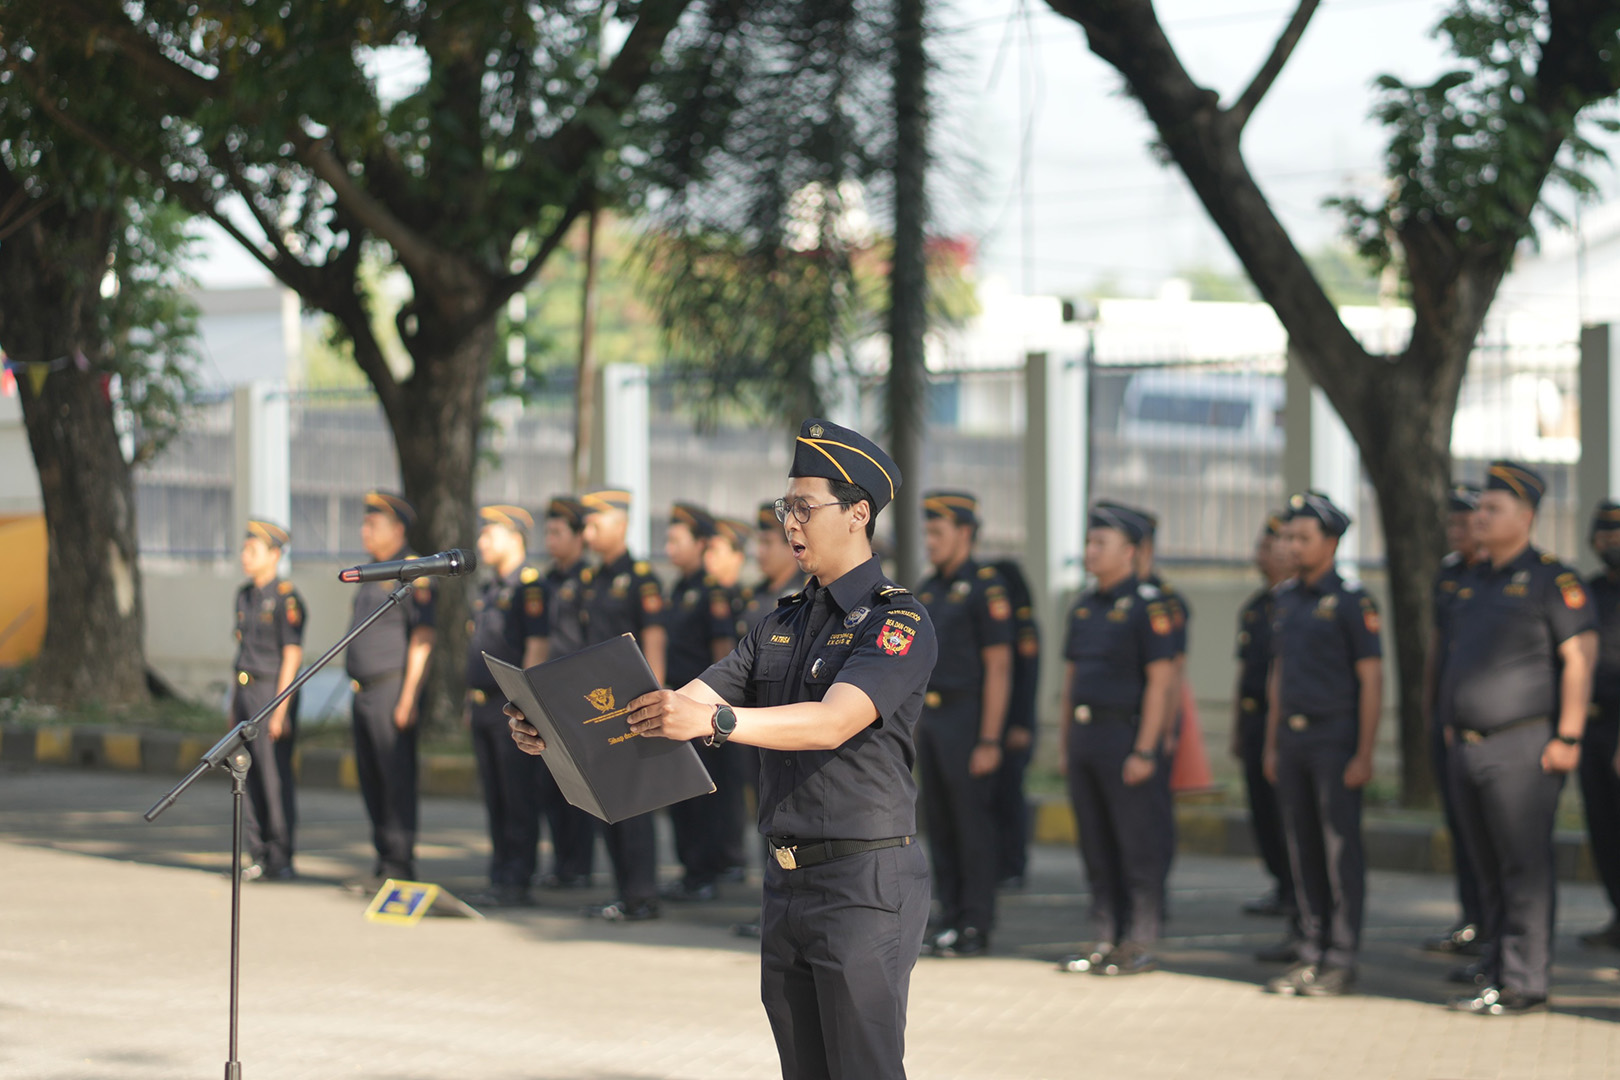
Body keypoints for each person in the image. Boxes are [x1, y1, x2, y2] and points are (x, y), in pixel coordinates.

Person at [514, 418, 937, 1080]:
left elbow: (831, 722)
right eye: (784, 508)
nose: (790, 523)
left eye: (804, 508)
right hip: (787, 880)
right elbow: (675, 705)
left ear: (859, 513)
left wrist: (716, 723)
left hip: (863, 883)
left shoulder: (898, 621)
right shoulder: (779, 623)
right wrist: (558, 733)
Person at [1441, 462, 1595, 1015]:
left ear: (1526, 517)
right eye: (1478, 508)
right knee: (1484, 863)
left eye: (1493, 509)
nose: (1479, 517)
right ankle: (1495, 970)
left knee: (1522, 865)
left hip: (1524, 746)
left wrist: (1569, 736)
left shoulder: (1554, 580)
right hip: (1468, 744)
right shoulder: (1469, 579)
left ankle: (1526, 981)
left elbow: (1578, 658)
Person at [1262, 491, 1381, 998]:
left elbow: (1371, 681)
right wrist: (1270, 743)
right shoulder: (1285, 599)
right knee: (1301, 847)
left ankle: (1341, 955)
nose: (1290, 545)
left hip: (1335, 739)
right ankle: (1310, 950)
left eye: (1302, 538)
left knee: (1338, 853)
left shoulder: (1354, 601)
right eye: (1287, 536)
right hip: (1292, 738)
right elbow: (1278, 676)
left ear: (1330, 542)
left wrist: (1364, 752)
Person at [1058, 502, 1178, 977]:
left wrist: (1146, 749)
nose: (1090, 551)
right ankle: (1104, 936)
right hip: (1088, 738)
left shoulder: (1151, 606)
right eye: (1089, 542)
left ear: (1129, 551)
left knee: (1136, 846)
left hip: (1125, 736)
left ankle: (1139, 941)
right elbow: (1071, 681)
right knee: (1096, 844)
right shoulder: (1085, 606)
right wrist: (1067, 744)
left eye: (1100, 544)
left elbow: (1162, 682)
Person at [914, 491, 1013, 958]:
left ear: (966, 533)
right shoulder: (929, 589)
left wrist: (990, 737)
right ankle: (950, 914)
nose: (929, 542)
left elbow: (999, 667)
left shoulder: (986, 588)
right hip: (932, 719)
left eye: (938, 533)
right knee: (942, 823)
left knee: (972, 825)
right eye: (927, 533)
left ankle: (976, 922)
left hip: (968, 717)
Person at [576, 487, 667, 921]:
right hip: (597, 706)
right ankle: (621, 891)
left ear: (621, 524)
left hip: (633, 705)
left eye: (596, 523)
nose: (588, 532)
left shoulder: (641, 577)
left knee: (634, 804)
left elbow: (654, 636)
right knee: (607, 801)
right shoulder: (593, 580)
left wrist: (656, 694)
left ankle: (642, 894)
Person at [344, 491, 435, 886]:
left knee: (395, 777)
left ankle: (399, 864)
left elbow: (423, 636)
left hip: (391, 688)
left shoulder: (412, 570)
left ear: (397, 529)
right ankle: (383, 862)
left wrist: (410, 695)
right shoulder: (373, 570)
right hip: (363, 690)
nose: (365, 531)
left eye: (373, 524)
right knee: (371, 778)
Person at [464, 504, 550, 907]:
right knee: (495, 796)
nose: (482, 542)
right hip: (483, 703)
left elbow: (536, 647)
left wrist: (526, 703)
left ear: (515, 538)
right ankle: (499, 873)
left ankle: (517, 878)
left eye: (490, 534)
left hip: (511, 705)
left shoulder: (529, 587)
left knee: (517, 797)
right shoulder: (490, 589)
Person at [660, 503, 739, 903]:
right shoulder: (677, 589)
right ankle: (690, 870)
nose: (670, 548)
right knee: (680, 794)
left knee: (705, 796)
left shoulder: (713, 593)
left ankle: (707, 871)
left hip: (702, 707)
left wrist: (713, 714)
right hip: (678, 700)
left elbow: (724, 656)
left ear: (701, 544)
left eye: (678, 540)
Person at [1422, 482, 1487, 955]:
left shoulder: (1496, 575)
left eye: (1465, 521)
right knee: (1461, 828)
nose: (1457, 530)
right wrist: (1431, 705)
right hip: (1449, 719)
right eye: (1453, 521)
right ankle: (1471, 918)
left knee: (1492, 836)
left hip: (1491, 728)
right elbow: (1437, 647)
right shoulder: (1448, 575)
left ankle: (1494, 931)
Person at [231, 519, 305, 882]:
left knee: (275, 779)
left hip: (271, 692)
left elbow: (291, 655)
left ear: (274, 555)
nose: (245, 556)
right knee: (246, 774)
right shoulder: (245, 595)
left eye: (253, 550)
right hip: (246, 690)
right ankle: (257, 852)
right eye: (245, 549)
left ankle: (281, 855)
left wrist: (280, 710)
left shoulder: (287, 598)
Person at [1232, 513, 1296, 925]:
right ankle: (1280, 884)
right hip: (1256, 721)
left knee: (1286, 812)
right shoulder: (1257, 607)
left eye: (1268, 546)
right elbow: (1246, 673)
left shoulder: (1297, 604)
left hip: (1287, 725)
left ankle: (1295, 889)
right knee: (1262, 811)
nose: (1261, 555)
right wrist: (1239, 728)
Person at [537, 495, 598, 888]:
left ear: (579, 537)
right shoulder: (546, 581)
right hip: (549, 692)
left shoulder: (588, 582)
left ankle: (579, 865)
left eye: (558, 532)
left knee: (581, 785)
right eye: (548, 532)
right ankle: (562, 862)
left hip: (580, 693)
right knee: (551, 783)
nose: (550, 540)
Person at [706, 516, 756, 883]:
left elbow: (726, 658)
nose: (709, 556)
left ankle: (731, 857)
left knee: (733, 789)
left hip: (732, 710)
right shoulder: (716, 595)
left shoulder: (737, 598)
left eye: (716, 549)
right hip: (709, 706)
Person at [1581, 499, 1620, 949]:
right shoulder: (1589, 590)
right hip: (1591, 726)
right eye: (1603, 534)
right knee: (1603, 828)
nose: (1609, 542)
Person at [989, 557, 1039, 891]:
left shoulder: (1024, 627)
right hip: (996, 724)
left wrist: (1021, 723)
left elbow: (1027, 679)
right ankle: (999, 862)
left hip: (1015, 725)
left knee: (1011, 796)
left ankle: (1014, 863)